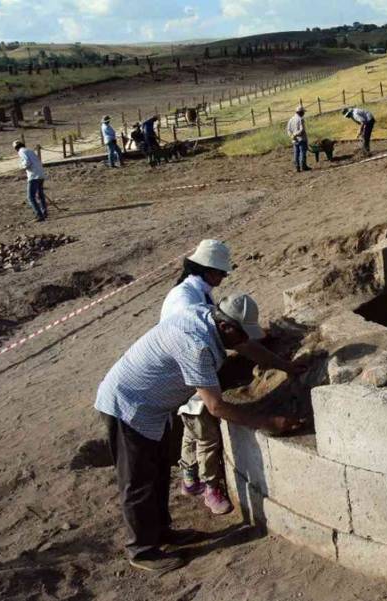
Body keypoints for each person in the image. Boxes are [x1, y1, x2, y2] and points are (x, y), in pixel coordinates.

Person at [95, 300, 304, 573]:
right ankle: (142, 550)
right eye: (241, 332)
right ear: (226, 326)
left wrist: (286, 366)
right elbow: (216, 406)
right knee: (138, 482)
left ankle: (161, 533)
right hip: (128, 407)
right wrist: (268, 422)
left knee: (157, 472)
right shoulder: (196, 345)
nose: (243, 340)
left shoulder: (210, 319)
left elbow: (246, 345)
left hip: (152, 408)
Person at [160, 240, 304, 515]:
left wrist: (282, 363)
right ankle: (209, 486)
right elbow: (199, 352)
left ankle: (189, 479)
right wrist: (267, 422)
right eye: (221, 272)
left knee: (192, 426)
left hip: (189, 371)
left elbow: (234, 338)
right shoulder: (184, 300)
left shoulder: (196, 291)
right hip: (186, 371)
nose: (224, 277)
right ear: (207, 269)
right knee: (207, 432)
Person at [14, 141, 47, 222]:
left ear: (16, 148)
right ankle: (44, 212)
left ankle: (39, 215)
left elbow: (27, 163)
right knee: (40, 194)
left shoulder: (21, 151)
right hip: (40, 174)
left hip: (34, 176)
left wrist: (22, 167)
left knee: (30, 197)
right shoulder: (30, 150)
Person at [286, 105, 310, 172]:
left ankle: (297, 167)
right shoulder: (300, 119)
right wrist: (296, 134)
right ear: (300, 112)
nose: (304, 113)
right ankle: (303, 166)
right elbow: (302, 130)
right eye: (303, 112)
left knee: (296, 153)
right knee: (302, 153)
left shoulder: (291, 119)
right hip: (301, 139)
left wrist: (292, 136)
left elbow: (288, 130)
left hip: (294, 140)